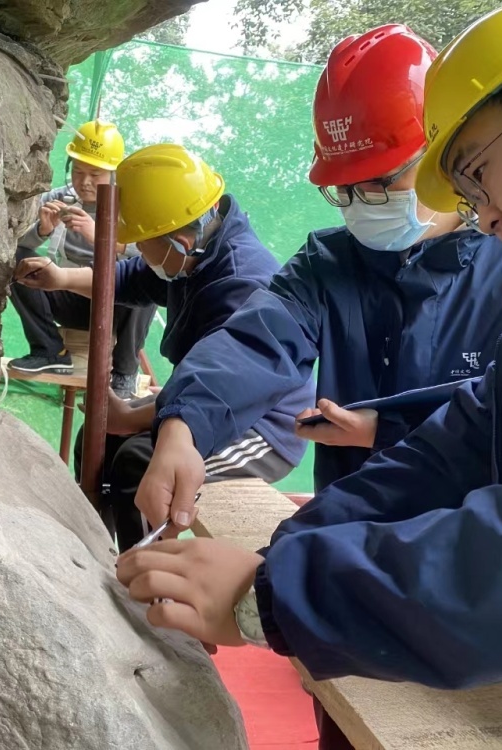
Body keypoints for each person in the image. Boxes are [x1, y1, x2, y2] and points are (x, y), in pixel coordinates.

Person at [117, 2, 502, 748]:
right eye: (465, 193)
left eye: (474, 173)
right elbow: (449, 449)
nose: (483, 214)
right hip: (476, 637)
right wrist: (271, 554)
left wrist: (274, 594)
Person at [134, 24, 502, 537]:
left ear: (446, 151)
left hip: (465, 545)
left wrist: (389, 427)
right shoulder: (328, 263)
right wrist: (183, 424)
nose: (361, 203)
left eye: (380, 181)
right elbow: (255, 341)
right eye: (344, 188)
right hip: (342, 526)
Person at [16, 143, 315, 551]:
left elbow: (224, 387)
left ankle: (139, 577)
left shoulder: (241, 283)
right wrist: (61, 279)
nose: (138, 251)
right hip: (201, 398)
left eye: (142, 243)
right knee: (98, 439)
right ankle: (96, 552)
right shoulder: (192, 257)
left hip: (259, 424)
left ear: (179, 241)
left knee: (140, 463)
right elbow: (127, 278)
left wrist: (131, 417)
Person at [8, 119, 155, 398]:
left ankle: (124, 372)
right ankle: (48, 350)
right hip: (69, 294)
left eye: (95, 174)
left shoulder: (132, 209)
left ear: (114, 173)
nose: (84, 182)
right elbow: (19, 245)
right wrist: (42, 230)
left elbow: (154, 257)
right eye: (78, 171)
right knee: (17, 259)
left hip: (117, 303)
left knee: (146, 280)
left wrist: (102, 237)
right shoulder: (60, 198)